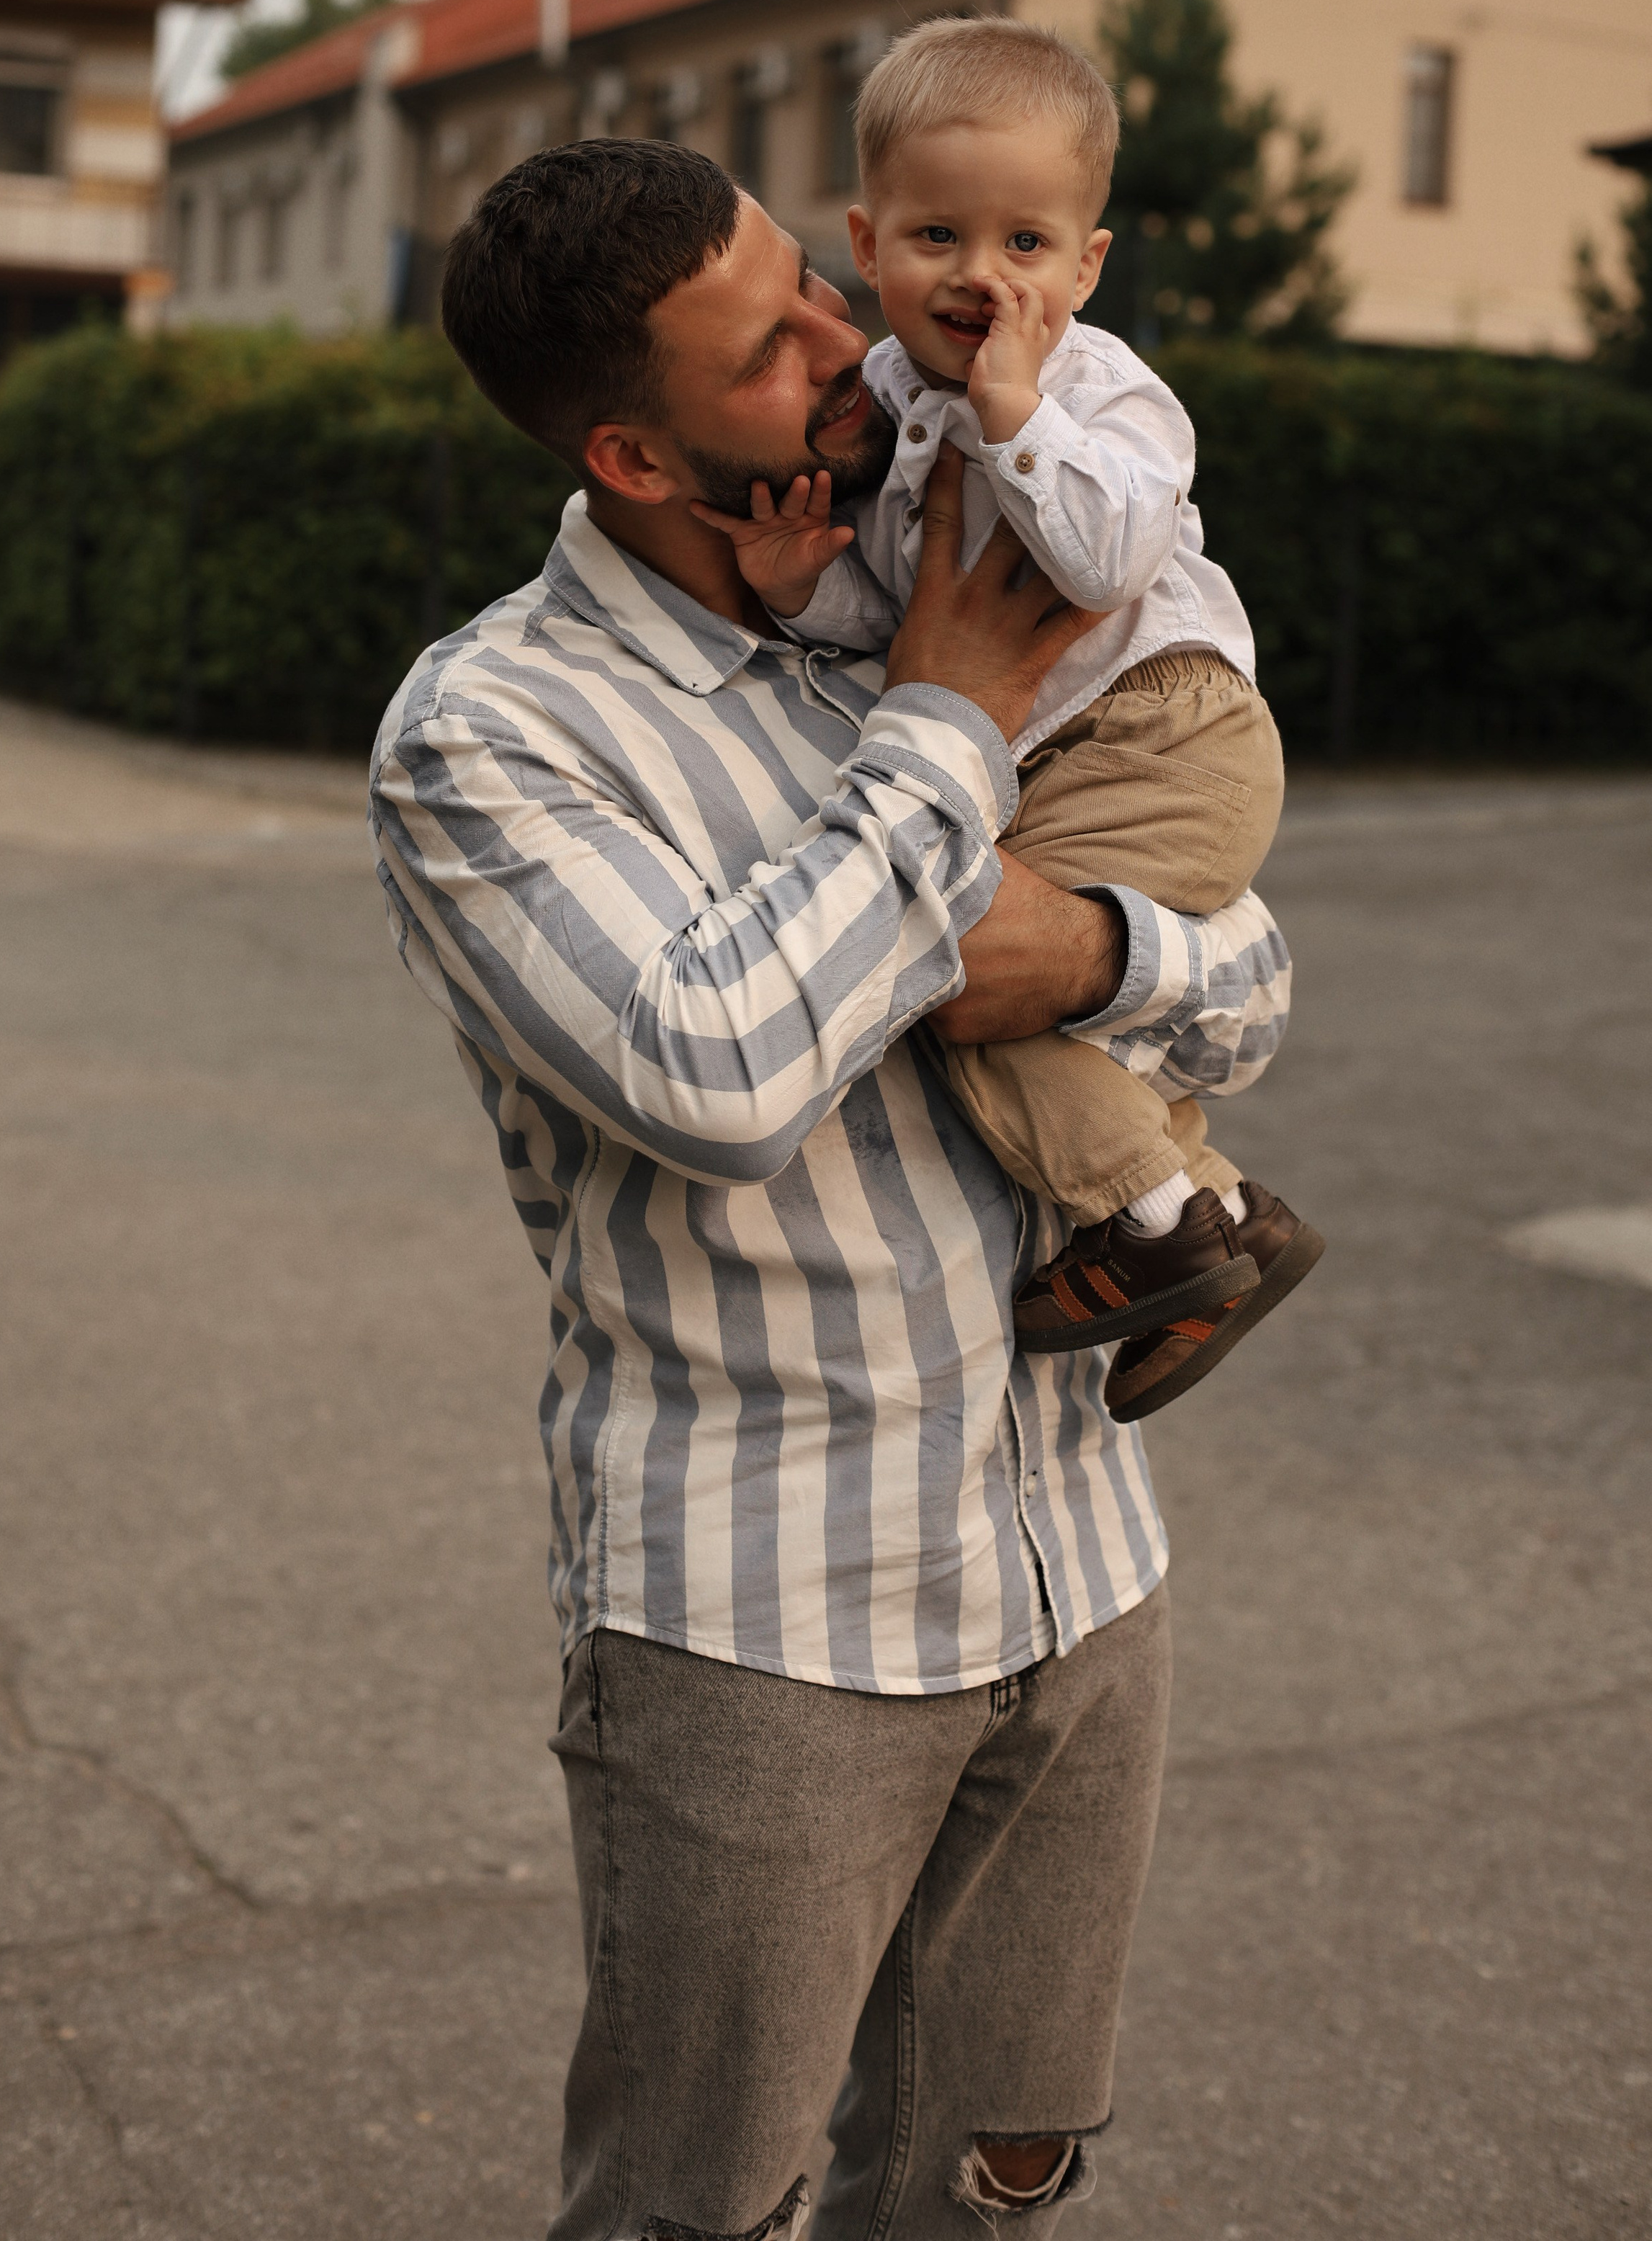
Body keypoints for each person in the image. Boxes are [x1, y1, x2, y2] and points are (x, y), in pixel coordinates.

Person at [369, 139, 1292, 2237]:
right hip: (761, 1616)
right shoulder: (495, 732)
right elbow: (716, 1066)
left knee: (996, 2176)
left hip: (1077, 1556)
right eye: (774, 345)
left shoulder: (919, 567)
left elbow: (1244, 991)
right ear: (630, 445)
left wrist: (1112, 953)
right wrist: (954, 723)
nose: (855, 341)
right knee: (710, 2205)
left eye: (816, 281)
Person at [693, 17, 1321, 1423]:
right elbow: (911, 626)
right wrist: (806, 590)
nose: (980, 275)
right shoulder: (894, 400)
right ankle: (1218, 1220)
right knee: (976, 967)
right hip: (1077, 739)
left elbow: (1098, 561)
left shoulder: (1099, 393)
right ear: (866, 244)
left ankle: (1156, 1224)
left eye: (1025, 245)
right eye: (936, 237)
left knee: (965, 969)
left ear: (1085, 264)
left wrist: (1017, 412)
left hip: (1170, 727)